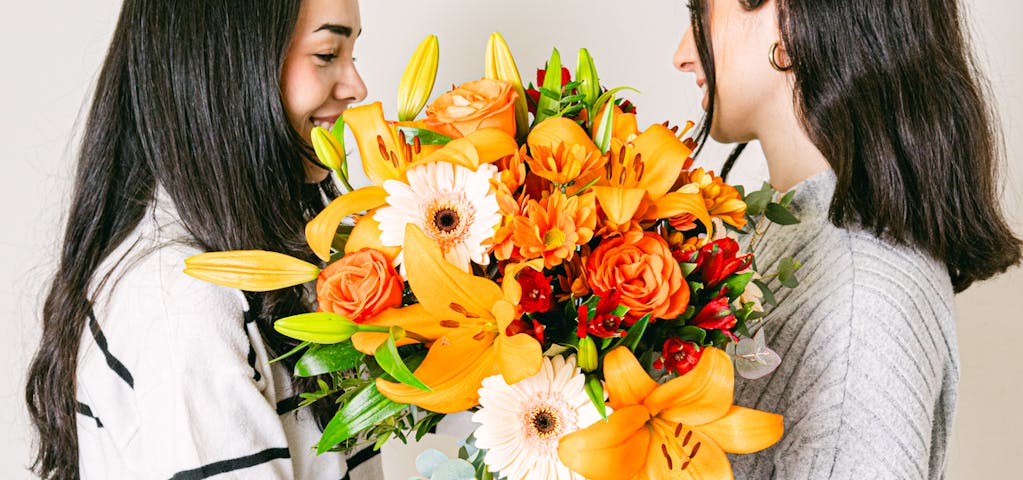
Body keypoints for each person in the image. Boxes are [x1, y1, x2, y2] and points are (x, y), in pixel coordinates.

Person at [24, 0, 377, 478]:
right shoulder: (184, 300)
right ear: (226, 66)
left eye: (352, 52)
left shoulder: (250, 262)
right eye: (326, 53)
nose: (357, 86)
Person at [673, 0, 1021, 478]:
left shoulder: (863, 303)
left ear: (788, 19)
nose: (682, 54)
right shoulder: (782, 229)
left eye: (701, 10)